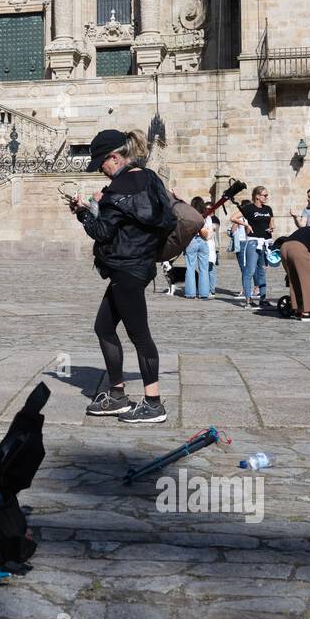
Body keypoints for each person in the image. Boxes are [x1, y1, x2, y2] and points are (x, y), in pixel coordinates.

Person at [72, 128, 175, 424]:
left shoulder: (115, 192)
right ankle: (117, 395)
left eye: (101, 164)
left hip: (125, 267)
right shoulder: (151, 178)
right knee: (103, 327)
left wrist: (83, 213)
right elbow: (163, 217)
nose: (101, 171)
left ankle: (153, 403)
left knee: (140, 335)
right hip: (141, 265)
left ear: (114, 158)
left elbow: (102, 233)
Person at [235, 185, 273, 308]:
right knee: (250, 271)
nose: (266, 197)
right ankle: (248, 300)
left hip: (265, 242)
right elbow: (233, 218)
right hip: (253, 243)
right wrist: (246, 225)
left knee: (262, 271)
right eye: (264, 195)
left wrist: (271, 228)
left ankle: (263, 298)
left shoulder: (268, 209)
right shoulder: (249, 208)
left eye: (267, 195)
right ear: (257, 196)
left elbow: (271, 222)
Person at [184, 197, 212, 299]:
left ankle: (190, 293)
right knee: (204, 268)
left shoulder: (189, 216)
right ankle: (204, 293)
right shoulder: (207, 217)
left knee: (190, 268)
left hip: (191, 241)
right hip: (203, 242)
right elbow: (209, 233)